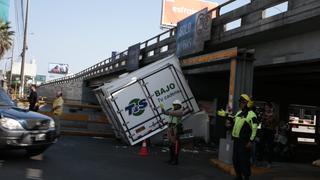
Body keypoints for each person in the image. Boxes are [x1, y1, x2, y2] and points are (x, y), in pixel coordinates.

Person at [228, 94, 258, 180]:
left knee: (244, 160)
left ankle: (246, 177)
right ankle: (239, 176)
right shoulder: (239, 112)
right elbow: (233, 121)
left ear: (248, 103)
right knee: (235, 160)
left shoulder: (252, 114)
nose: (241, 104)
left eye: (243, 102)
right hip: (237, 140)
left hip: (245, 142)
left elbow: (255, 129)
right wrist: (226, 116)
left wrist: (251, 141)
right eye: (240, 102)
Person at [161, 100, 184, 165]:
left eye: (175, 105)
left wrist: (164, 111)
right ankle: (171, 159)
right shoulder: (173, 110)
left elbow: (171, 113)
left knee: (175, 145)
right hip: (171, 128)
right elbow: (168, 113)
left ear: (179, 105)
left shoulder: (180, 111)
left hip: (175, 128)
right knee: (171, 145)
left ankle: (175, 160)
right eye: (174, 105)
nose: (174, 106)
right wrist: (162, 109)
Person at [257, 102, 278, 167]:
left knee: (270, 147)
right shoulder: (263, 114)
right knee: (261, 146)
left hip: (271, 131)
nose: (266, 108)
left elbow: (276, 125)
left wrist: (276, 133)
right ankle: (260, 161)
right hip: (263, 131)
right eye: (265, 107)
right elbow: (259, 121)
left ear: (270, 108)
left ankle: (269, 162)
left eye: (267, 107)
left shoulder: (274, 115)